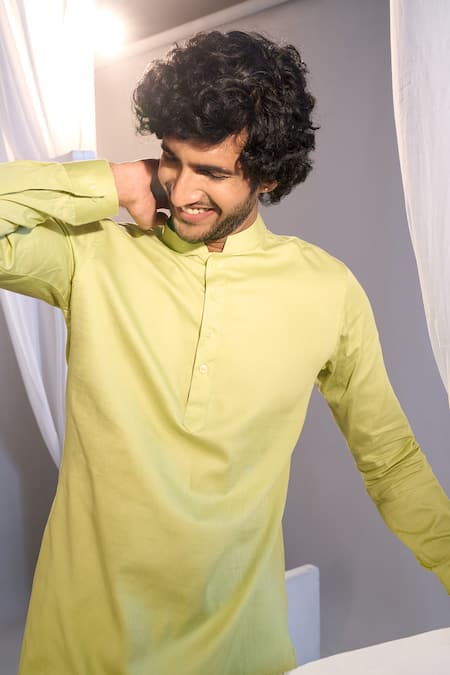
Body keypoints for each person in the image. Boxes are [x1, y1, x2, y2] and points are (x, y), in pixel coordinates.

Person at [0, 30, 449, 675]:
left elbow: (393, 463)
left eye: (211, 172)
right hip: (79, 655)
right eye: (170, 159)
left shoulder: (327, 290)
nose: (182, 191)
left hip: (241, 658)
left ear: (268, 176)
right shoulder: (92, 255)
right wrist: (114, 180)